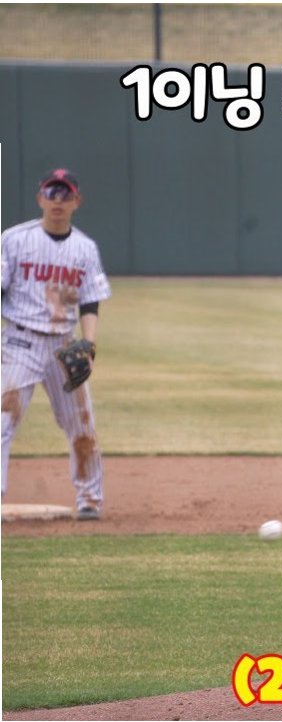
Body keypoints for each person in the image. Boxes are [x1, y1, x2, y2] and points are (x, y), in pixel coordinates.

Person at [2, 169, 112, 520]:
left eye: (65, 195)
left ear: (77, 201)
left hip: (64, 346)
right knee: (2, 420)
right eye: (52, 193)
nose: (58, 201)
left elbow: (90, 300)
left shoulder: (85, 248)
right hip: (20, 342)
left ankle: (90, 498)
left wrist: (88, 346)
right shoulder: (14, 240)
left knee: (81, 424)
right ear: (40, 198)